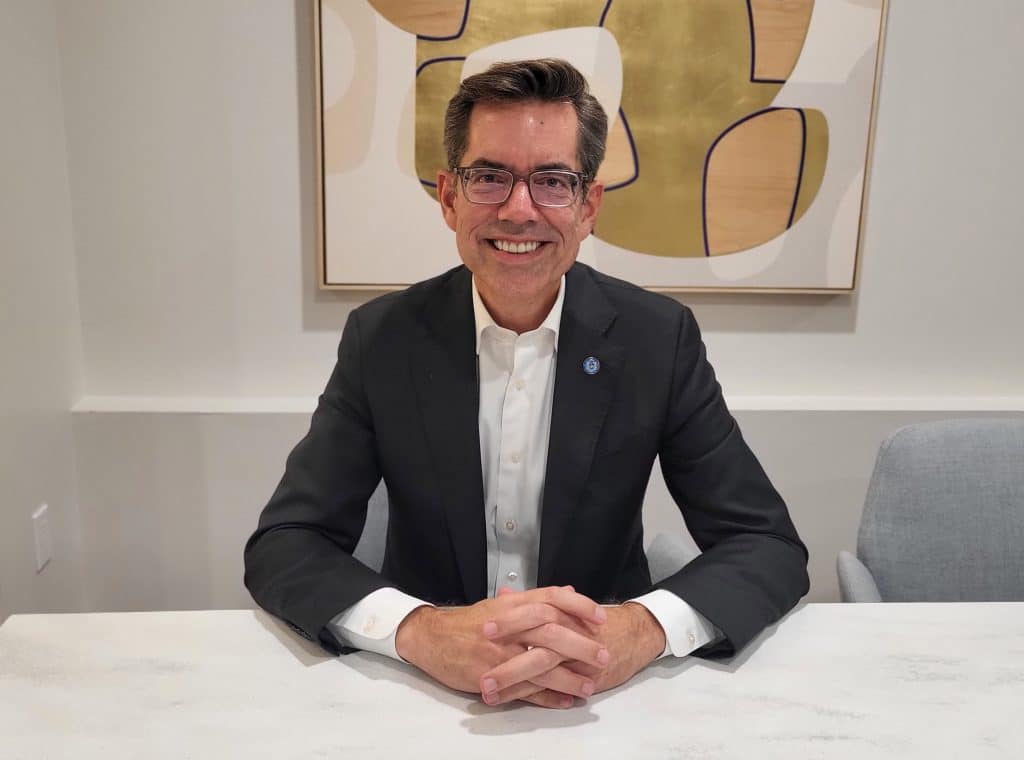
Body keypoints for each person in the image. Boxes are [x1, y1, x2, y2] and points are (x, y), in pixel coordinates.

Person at [244, 59, 808, 710]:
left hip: (606, 699)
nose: (519, 210)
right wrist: (420, 632)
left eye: (553, 182)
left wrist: (639, 630)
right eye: (489, 177)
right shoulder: (383, 339)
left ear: (588, 206)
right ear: (449, 198)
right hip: (425, 697)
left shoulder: (657, 339)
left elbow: (766, 545)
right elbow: (286, 544)